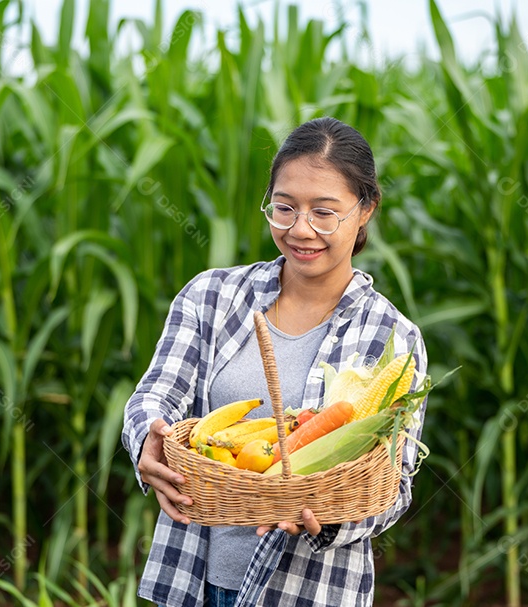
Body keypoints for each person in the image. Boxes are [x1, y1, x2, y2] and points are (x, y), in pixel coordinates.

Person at [121, 116, 428, 607]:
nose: (300, 229)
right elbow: (155, 395)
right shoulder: (211, 297)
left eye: (324, 213)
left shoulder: (391, 336)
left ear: (365, 209)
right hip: (193, 581)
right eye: (284, 208)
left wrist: (329, 517)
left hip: (310, 591)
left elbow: (395, 482)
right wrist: (146, 439)